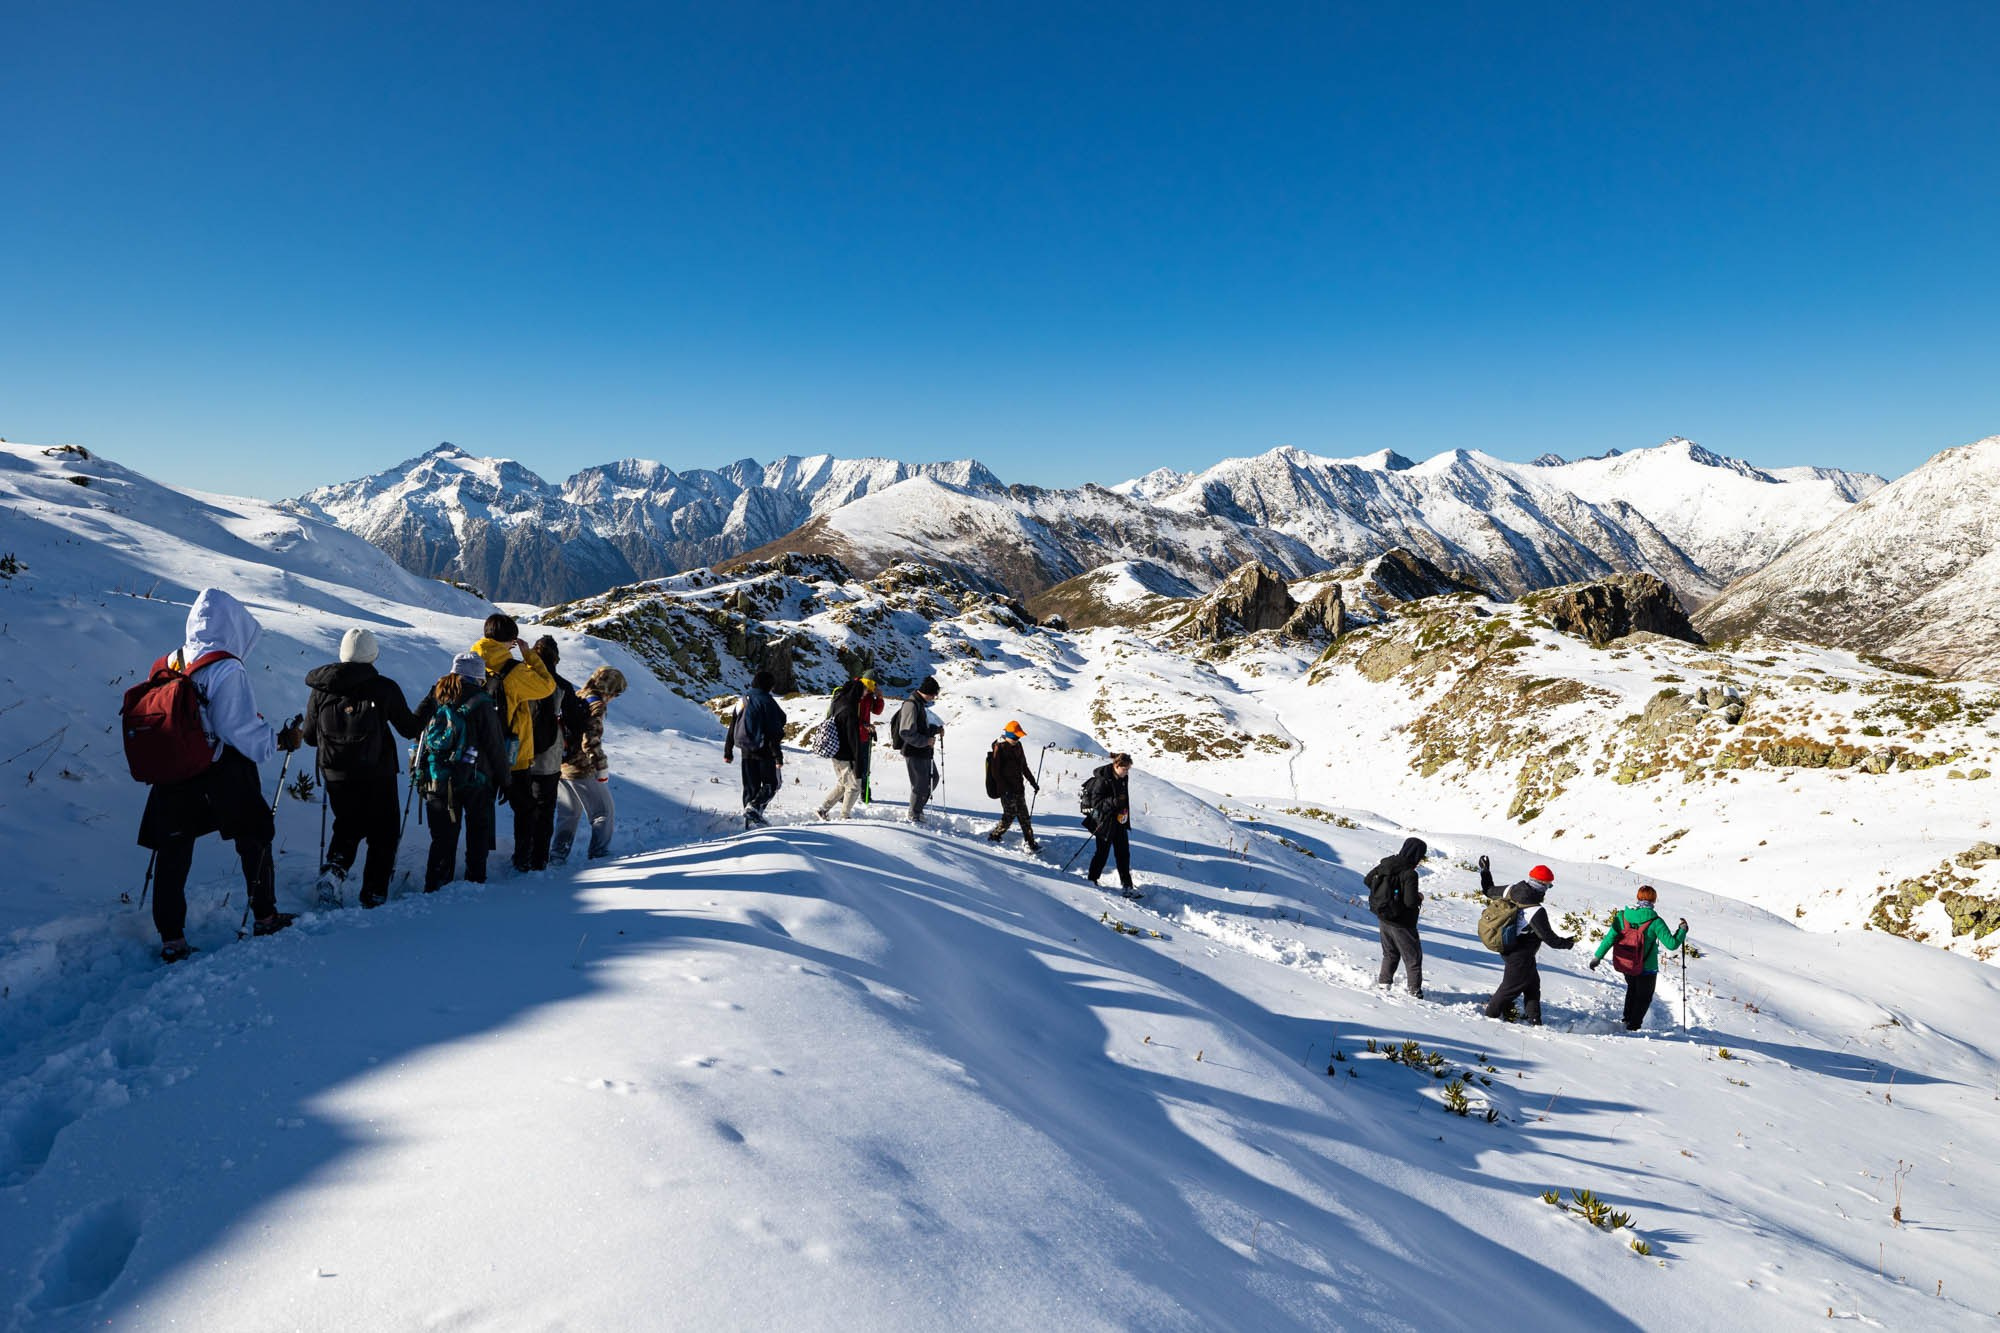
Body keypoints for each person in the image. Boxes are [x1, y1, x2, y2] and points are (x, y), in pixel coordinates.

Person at [135, 588, 303, 960]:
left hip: (173, 770)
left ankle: (171, 938)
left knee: (173, 850)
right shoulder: (226, 667)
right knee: (254, 836)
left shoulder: (170, 661)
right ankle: (265, 915)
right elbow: (237, 729)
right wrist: (276, 741)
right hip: (219, 772)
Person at [302, 627, 422, 909]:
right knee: (384, 832)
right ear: (372, 654)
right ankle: (374, 893)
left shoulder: (321, 688)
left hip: (335, 773)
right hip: (377, 772)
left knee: (347, 826)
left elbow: (309, 737)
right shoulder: (383, 687)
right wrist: (428, 704)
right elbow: (409, 729)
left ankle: (333, 874)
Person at [412, 654, 511, 891]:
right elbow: (495, 746)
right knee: (477, 831)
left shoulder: (435, 694)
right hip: (475, 778)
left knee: (442, 837)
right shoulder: (483, 702)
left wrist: (418, 767)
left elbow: (416, 728)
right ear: (478, 676)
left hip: (437, 777)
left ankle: (435, 884)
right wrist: (506, 780)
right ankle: (475, 881)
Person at [468, 614, 555, 869]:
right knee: (525, 809)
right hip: (511, 752)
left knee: (480, 812)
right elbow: (546, 686)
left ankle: (476, 868)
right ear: (511, 640)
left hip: (476, 752)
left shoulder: (470, 663)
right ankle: (522, 860)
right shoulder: (513, 671)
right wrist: (529, 656)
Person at [512, 636, 588, 870]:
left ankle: (521, 857)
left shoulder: (522, 680)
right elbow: (577, 723)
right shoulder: (562, 685)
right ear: (555, 658)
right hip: (550, 756)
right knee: (545, 808)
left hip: (520, 753)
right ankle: (539, 859)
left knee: (524, 808)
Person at [1479, 857, 1576, 1025]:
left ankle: (1534, 1019)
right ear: (1542, 885)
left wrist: (1485, 872)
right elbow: (1550, 939)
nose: (1548, 889)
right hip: (1519, 954)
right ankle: (1489, 1017)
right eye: (1548, 885)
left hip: (1509, 946)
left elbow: (1488, 890)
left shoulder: (1511, 890)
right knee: (1510, 988)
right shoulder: (1535, 910)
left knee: (1532, 984)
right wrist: (1567, 943)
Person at [1589, 885, 1690, 1031]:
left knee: (1632, 989)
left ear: (1637, 898)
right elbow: (1672, 944)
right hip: (1647, 967)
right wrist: (1682, 930)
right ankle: (1633, 1027)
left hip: (1627, 963)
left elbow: (1610, 938)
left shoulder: (1622, 916)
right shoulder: (1655, 921)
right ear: (1654, 900)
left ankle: (1627, 1019)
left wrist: (1597, 957)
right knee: (1644, 997)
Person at [553, 666, 627, 860]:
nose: (614, 697)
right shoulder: (596, 704)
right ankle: (599, 854)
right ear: (609, 689)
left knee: (568, 815)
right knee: (603, 812)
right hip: (582, 768)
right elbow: (590, 739)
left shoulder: (578, 695)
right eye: (616, 693)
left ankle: (558, 855)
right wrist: (600, 766)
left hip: (561, 764)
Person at [1365, 837, 1429, 998]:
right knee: (1413, 958)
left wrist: (1385, 896)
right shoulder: (1410, 874)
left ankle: (1384, 983)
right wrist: (1419, 897)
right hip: (1403, 922)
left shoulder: (1386, 863)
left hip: (1384, 916)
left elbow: (1367, 880)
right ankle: (1415, 991)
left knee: (1390, 953)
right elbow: (1410, 902)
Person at [724, 670, 788, 828]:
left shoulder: (743, 700)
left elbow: (733, 725)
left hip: (745, 749)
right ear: (768, 685)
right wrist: (778, 756)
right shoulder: (767, 701)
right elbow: (774, 731)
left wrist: (728, 751)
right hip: (764, 750)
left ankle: (749, 823)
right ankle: (754, 810)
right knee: (772, 784)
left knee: (750, 787)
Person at [1082, 753, 1138, 898]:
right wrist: (1114, 802)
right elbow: (1096, 803)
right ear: (1116, 765)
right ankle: (1092, 880)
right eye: (1124, 769)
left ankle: (1127, 886)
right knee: (1102, 854)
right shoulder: (1103, 780)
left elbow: (1123, 799)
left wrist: (1124, 813)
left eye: (1128, 769)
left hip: (1119, 821)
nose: (1126, 772)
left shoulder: (1123, 778)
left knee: (1123, 854)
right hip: (1104, 823)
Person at [816, 676, 869, 820]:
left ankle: (823, 809)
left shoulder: (838, 701)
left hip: (835, 751)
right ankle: (845, 817)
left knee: (842, 784)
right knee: (854, 786)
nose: (865, 695)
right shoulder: (850, 711)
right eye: (863, 692)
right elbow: (852, 738)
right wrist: (858, 759)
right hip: (846, 755)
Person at [984, 720, 1041, 851]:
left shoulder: (1018, 746)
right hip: (1006, 790)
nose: (1017, 739)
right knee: (1009, 815)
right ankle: (994, 835)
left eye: (1019, 737)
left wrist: (1033, 782)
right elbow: (996, 773)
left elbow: (1024, 766)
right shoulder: (1000, 747)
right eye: (1015, 737)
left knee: (1024, 817)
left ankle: (1030, 843)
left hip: (1018, 788)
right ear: (1007, 735)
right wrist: (1005, 790)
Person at [895, 676, 944, 823]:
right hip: (913, 750)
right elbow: (905, 732)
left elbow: (922, 727)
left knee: (933, 779)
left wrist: (935, 730)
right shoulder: (911, 705)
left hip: (923, 750)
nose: (935, 697)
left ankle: (917, 810)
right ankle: (914, 814)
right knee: (920, 784)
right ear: (928, 692)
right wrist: (926, 741)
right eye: (934, 694)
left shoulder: (919, 703)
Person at [854, 677, 885, 802]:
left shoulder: (869, 695)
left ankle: (865, 792)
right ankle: (847, 792)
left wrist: (880, 698)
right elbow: (850, 716)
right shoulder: (855, 692)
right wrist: (864, 726)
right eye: (874, 685)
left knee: (864, 766)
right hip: (854, 735)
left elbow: (877, 711)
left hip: (864, 736)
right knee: (853, 765)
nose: (876, 687)